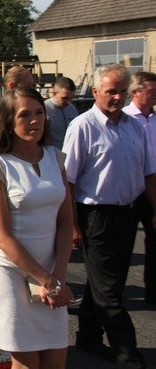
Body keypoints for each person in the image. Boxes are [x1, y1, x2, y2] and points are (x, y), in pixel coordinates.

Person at [64, 64, 156, 368]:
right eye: (110, 91)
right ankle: (127, 353)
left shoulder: (133, 126)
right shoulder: (83, 126)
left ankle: (88, 338)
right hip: (95, 217)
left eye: (121, 91)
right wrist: (73, 225)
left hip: (127, 214)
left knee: (106, 282)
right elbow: (69, 181)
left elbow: (149, 173)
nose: (116, 97)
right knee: (109, 291)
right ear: (95, 92)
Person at [0, 87, 74, 368]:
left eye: (39, 113)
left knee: (57, 357)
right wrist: (46, 280)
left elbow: (66, 222)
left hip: (51, 273)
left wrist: (57, 277)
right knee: (27, 362)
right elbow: (3, 237)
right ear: (8, 122)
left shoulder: (56, 157)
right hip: (12, 274)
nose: (35, 120)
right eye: (24, 115)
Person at [123, 71, 156, 305]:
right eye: (152, 92)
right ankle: (115, 294)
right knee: (123, 245)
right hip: (130, 190)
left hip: (153, 188)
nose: (155, 97)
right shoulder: (124, 119)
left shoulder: (155, 120)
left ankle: (152, 292)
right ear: (135, 92)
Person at [44, 76, 78, 150]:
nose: (69, 101)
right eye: (65, 98)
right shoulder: (44, 109)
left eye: (71, 98)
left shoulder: (72, 109)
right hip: (53, 155)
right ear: (54, 93)